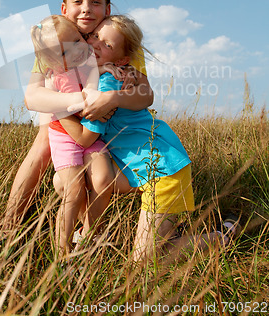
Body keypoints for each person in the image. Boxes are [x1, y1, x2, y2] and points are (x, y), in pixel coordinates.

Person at [56, 15, 240, 263]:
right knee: (65, 180)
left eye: (107, 45)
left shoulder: (107, 85)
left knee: (144, 263)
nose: (97, 44)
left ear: (122, 60)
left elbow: (86, 139)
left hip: (162, 171)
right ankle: (94, 235)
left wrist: (56, 114)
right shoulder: (102, 74)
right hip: (135, 166)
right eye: (96, 37)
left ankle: (222, 236)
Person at [4, 0, 153, 226]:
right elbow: (32, 97)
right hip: (71, 110)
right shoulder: (56, 39)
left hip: (109, 127)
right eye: (77, 1)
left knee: (97, 172)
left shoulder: (119, 40)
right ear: (64, 9)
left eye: (95, 2)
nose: (86, 8)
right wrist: (83, 99)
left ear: (107, 9)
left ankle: (88, 231)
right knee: (44, 144)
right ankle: (9, 225)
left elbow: (146, 94)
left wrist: (115, 96)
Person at [30, 15, 115, 254]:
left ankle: (88, 234)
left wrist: (103, 69)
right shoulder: (54, 79)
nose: (77, 50)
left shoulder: (90, 61)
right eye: (66, 52)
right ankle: (62, 251)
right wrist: (93, 101)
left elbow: (93, 85)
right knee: (74, 190)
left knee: (103, 178)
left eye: (78, 40)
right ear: (54, 63)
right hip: (65, 137)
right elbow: (83, 99)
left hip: (90, 135)